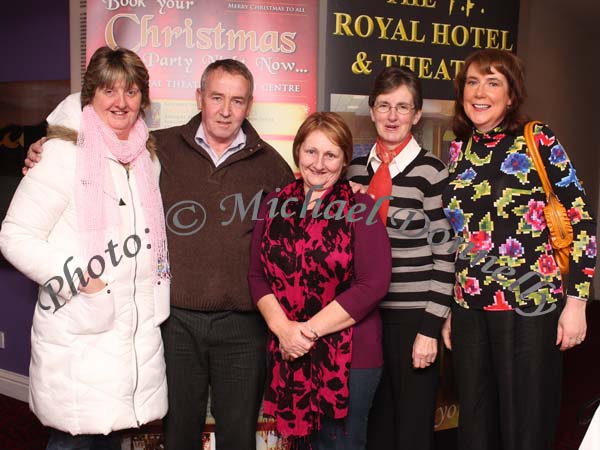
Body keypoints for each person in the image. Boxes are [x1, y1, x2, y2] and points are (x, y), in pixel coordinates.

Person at [24, 58, 294, 450]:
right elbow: (91, 147)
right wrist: (47, 147)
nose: (225, 109)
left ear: (248, 105)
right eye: (216, 97)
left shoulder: (272, 166)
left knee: (239, 437)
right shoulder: (155, 148)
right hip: (176, 322)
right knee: (178, 434)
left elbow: (302, 221)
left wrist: (349, 189)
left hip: (243, 327)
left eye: (237, 100)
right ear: (199, 97)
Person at [0, 46, 170, 450]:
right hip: (79, 328)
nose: (121, 102)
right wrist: (81, 279)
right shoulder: (60, 154)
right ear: (90, 95)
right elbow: (14, 235)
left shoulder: (147, 159)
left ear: (142, 100)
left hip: (128, 332)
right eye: (109, 91)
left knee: (110, 436)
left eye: (131, 92)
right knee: (73, 439)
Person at [441, 48, 597, 450]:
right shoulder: (459, 150)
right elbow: (457, 237)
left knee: (525, 427)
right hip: (469, 310)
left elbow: (581, 220)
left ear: (511, 96)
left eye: (493, 82)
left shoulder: (536, 139)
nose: (480, 91)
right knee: (474, 426)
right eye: (472, 82)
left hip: (529, 307)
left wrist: (577, 302)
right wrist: (449, 310)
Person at [248, 112, 391, 449]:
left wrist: (305, 332)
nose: (319, 163)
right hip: (289, 353)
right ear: (298, 152)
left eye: (330, 155)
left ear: (344, 161)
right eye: (311, 152)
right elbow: (257, 274)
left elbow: (374, 284)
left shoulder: (361, 206)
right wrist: (284, 331)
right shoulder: (274, 204)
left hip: (351, 358)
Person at [346, 66, 455, 450]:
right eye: (384, 106)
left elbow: (446, 254)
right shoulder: (354, 170)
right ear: (372, 111)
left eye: (402, 107)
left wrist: (429, 328)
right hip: (365, 318)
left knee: (411, 430)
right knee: (374, 426)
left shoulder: (432, 172)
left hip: (414, 318)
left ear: (417, 114)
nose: (392, 116)